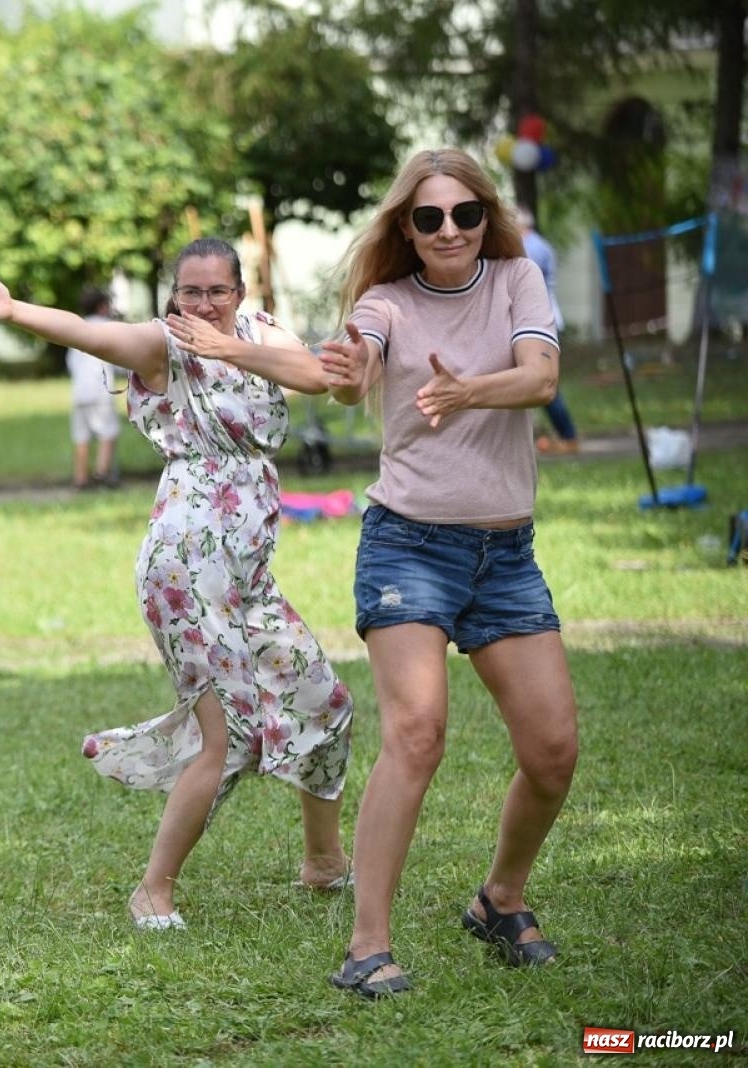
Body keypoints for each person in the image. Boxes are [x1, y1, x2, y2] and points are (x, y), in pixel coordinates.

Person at [0, 239, 353, 931]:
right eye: (188, 292)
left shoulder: (258, 337)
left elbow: (316, 377)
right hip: (186, 571)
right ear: (172, 295)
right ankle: (153, 891)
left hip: (246, 572)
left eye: (215, 291)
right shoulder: (160, 346)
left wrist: (231, 348)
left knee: (323, 698)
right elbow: (92, 331)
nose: (200, 304)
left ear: (239, 292)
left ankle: (323, 864)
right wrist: (13, 310)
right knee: (225, 738)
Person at [319, 149, 579, 998]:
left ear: (485, 215)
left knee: (552, 753)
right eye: (428, 217)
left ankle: (499, 900)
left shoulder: (515, 279)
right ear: (407, 226)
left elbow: (542, 378)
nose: (448, 231)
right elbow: (360, 355)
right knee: (417, 734)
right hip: (410, 547)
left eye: (464, 213)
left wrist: (469, 392)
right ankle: (366, 947)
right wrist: (348, 366)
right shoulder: (386, 301)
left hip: (505, 555)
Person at [518, 205, 579, 454]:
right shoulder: (539, 244)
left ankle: (568, 435)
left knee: (542, 381)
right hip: (542, 320)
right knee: (535, 382)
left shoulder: (530, 247)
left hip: (540, 323)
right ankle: (558, 435)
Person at [65, 286, 121, 489]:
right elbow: (118, 358)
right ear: (102, 306)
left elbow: (71, 363)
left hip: (79, 391)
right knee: (108, 432)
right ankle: (102, 473)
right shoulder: (107, 326)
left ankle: (80, 478)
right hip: (100, 390)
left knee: (81, 435)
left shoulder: (77, 327)